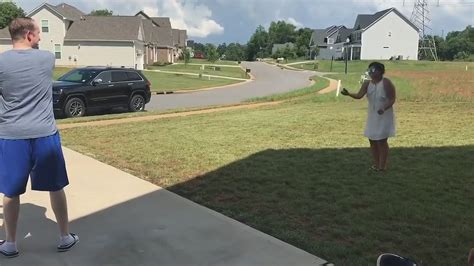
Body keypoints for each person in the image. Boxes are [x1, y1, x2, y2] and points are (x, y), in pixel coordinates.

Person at [0, 17, 78, 258]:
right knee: (56, 187)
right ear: (30, 36)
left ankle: (11, 243)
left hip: (11, 135)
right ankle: (65, 237)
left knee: (11, 192)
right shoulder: (47, 58)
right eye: (38, 33)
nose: (41, 38)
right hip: (45, 134)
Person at [341, 62, 396, 172]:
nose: (371, 72)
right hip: (372, 116)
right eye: (369, 70)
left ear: (380, 71)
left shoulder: (386, 83)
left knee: (381, 141)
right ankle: (375, 164)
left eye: (373, 70)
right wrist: (349, 94)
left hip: (384, 116)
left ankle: (382, 166)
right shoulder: (367, 84)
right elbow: (359, 95)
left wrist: (384, 108)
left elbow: (392, 99)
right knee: (372, 140)